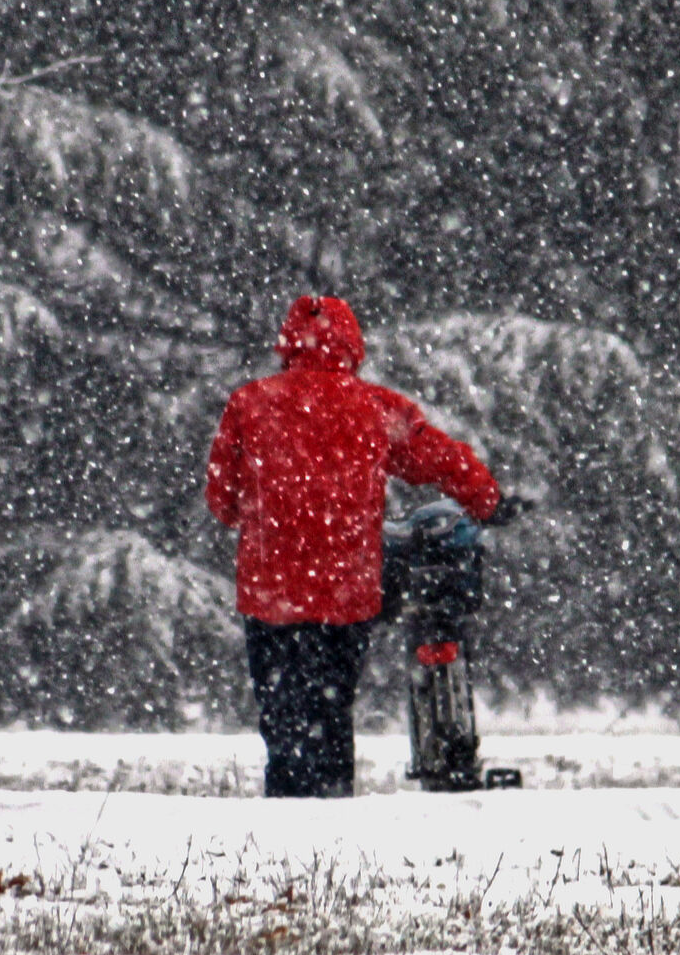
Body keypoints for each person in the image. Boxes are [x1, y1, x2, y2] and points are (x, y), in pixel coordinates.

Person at [205, 295, 500, 798]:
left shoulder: (249, 404)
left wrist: (262, 512)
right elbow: (436, 455)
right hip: (344, 593)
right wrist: (486, 498)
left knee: (282, 714)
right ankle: (332, 803)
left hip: (271, 593)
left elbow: (222, 501)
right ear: (352, 345)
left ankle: (286, 805)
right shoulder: (375, 407)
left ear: (288, 343)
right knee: (331, 706)